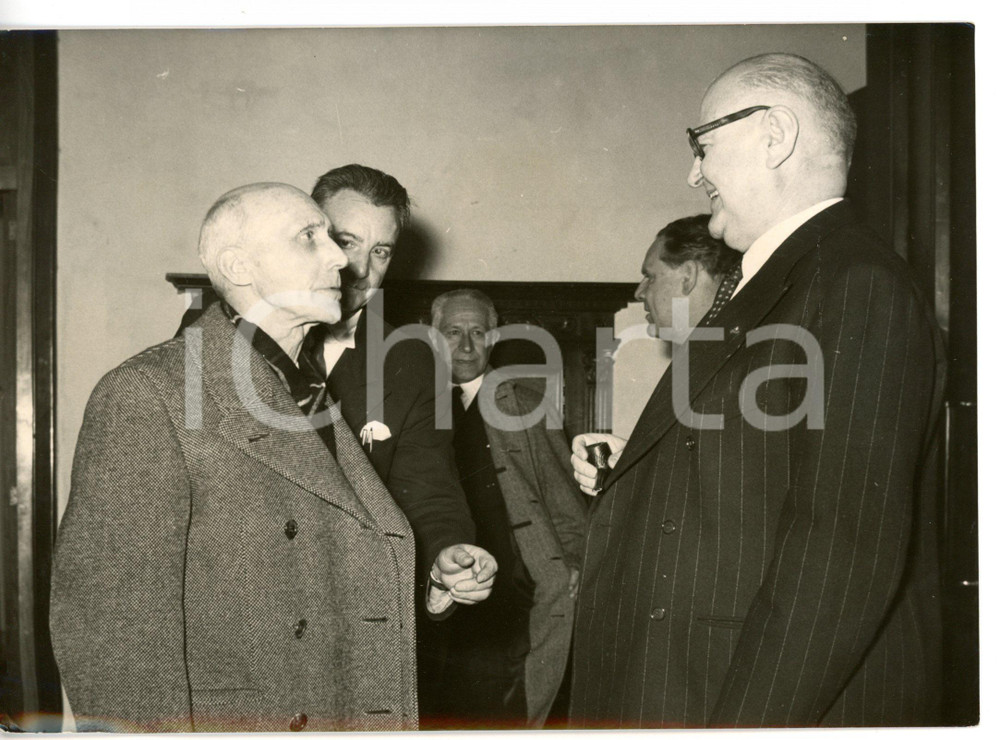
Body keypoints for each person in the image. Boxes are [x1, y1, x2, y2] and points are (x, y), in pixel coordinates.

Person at [569, 53, 946, 728]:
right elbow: (766, 471)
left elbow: (841, 551)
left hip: (743, 699)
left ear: (775, 135)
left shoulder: (857, 284)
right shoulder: (781, 278)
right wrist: (645, 467)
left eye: (702, 144)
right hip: (689, 683)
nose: (694, 174)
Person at [50, 183, 495, 733]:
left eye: (372, 248)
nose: (344, 261)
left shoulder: (304, 386)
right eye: (312, 238)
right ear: (239, 266)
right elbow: (113, 631)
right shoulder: (148, 391)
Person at [306, 164, 482, 594]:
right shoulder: (225, 333)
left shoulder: (412, 361)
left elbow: (429, 492)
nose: (360, 270)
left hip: (348, 597)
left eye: (381, 251)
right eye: (346, 242)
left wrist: (446, 558)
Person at [422, 289, 587, 729]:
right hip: (435, 588)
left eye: (478, 332)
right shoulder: (410, 403)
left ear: (493, 339)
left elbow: (563, 499)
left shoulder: (526, 406)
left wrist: (575, 560)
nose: (466, 345)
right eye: (453, 332)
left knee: (506, 712)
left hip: (511, 594)